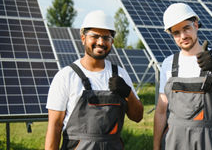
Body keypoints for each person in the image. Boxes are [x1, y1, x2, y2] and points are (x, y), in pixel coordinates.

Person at [45, 10, 144, 150]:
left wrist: (128, 93)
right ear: (83, 38)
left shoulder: (121, 74)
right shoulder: (66, 76)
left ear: (112, 41)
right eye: (95, 36)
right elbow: (55, 126)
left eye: (106, 37)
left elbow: (137, 116)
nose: (101, 42)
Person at [153, 3, 212, 150]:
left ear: (196, 25)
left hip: (209, 140)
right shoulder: (169, 63)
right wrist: (156, 146)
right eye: (176, 33)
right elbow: (161, 110)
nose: (183, 36)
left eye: (186, 28)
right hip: (174, 141)